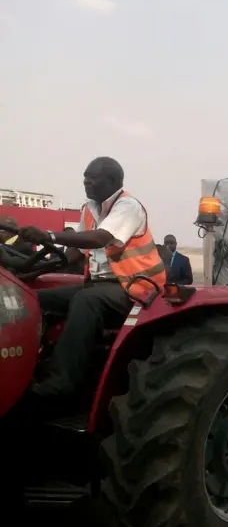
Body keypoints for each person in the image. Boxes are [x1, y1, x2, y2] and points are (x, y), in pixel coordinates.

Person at [19, 156, 166, 400]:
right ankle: (29, 365)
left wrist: (47, 235)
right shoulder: (89, 209)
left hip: (134, 287)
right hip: (99, 285)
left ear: (112, 181)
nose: (86, 182)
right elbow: (75, 252)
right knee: (35, 299)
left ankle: (60, 382)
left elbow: (99, 238)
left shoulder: (128, 206)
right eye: (84, 178)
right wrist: (35, 269)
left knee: (87, 301)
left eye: (92, 178)